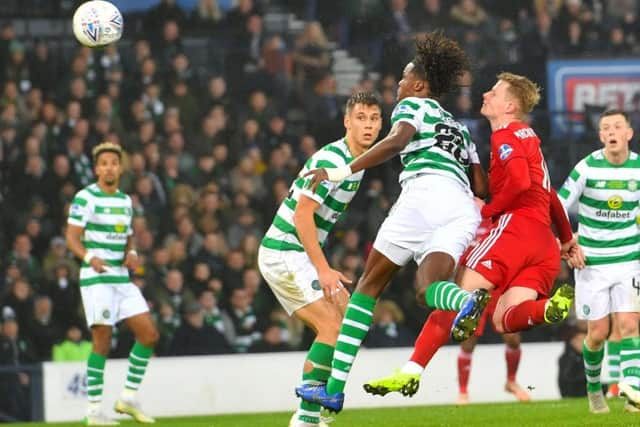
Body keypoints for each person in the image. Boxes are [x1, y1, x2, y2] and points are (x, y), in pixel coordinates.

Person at [296, 32, 488, 413]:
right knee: (427, 289)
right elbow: (481, 184)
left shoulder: (412, 106)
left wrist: (342, 171)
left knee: (368, 287)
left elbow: (397, 142)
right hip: (463, 207)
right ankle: (465, 300)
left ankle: (333, 388)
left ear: (418, 85)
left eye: (403, 79)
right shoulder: (461, 128)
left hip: (424, 194)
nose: (398, 86)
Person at [361, 74, 579, 401]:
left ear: (510, 105)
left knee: (453, 296)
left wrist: (488, 210)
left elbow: (519, 184)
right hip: (544, 244)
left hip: (513, 233)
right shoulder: (529, 136)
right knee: (506, 318)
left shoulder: (505, 134)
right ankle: (546, 309)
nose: (486, 94)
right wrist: (564, 239)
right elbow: (548, 193)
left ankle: (411, 371)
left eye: (495, 92)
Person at [258, 92, 383, 427]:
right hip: (284, 251)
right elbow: (302, 216)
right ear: (347, 121)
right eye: (360, 117)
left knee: (351, 321)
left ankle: (311, 411)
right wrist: (323, 268)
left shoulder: (356, 165)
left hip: (297, 253)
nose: (368, 125)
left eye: (374, 118)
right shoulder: (331, 159)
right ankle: (306, 418)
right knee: (332, 326)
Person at [66, 142, 159, 426]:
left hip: (121, 278)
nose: (109, 167)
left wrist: (131, 253)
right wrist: (89, 256)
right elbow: (71, 238)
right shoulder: (85, 198)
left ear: (120, 168)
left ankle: (127, 398)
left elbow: (127, 235)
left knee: (149, 335)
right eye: (103, 163)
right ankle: (93, 411)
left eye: (113, 163)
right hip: (97, 281)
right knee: (102, 342)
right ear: (96, 169)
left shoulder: (125, 201)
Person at [558, 109, 640, 413]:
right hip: (591, 262)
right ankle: (594, 387)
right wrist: (566, 241)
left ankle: (632, 390)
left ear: (629, 133)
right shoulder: (586, 168)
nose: (612, 131)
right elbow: (559, 204)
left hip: (629, 259)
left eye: (618, 126)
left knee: (631, 324)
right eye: (606, 128)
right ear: (601, 136)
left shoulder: (638, 169)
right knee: (597, 334)